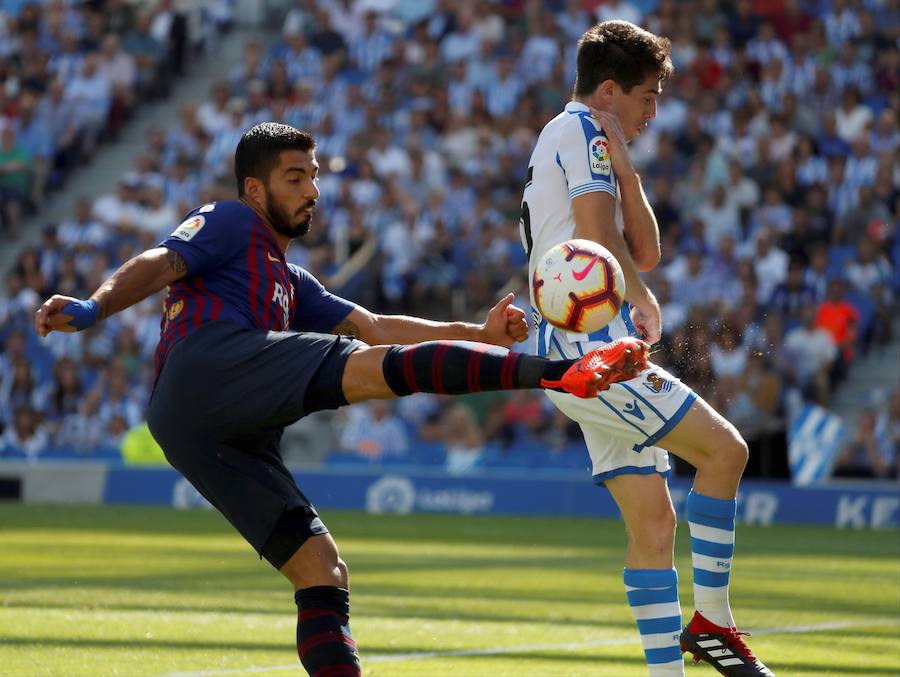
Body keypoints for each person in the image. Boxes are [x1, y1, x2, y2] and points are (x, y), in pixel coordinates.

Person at [34, 122, 648, 677]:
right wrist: (94, 306)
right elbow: (161, 261)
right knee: (373, 373)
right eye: (295, 177)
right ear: (254, 189)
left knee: (321, 570)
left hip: (199, 430)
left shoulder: (288, 278)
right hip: (207, 367)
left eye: (315, 177)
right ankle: (557, 374)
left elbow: (378, 325)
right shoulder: (229, 220)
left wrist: (477, 334)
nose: (312, 191)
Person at [519, 21, 773, 676]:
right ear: (609, 90)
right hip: (592, 347)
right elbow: (602, 236)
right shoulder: (576, 131)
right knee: (726, 451)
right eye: (647, 96)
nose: (654, 112)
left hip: (591, 345)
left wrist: (628, 174)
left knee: (655, 524)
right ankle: (714, 621)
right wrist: (641, 297)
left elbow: (648, 251)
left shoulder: (588, 141)